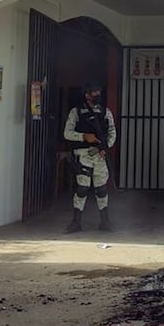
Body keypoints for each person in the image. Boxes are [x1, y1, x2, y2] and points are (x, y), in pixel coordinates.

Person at [63, 82, 117, 232]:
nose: (97, 95)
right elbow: (67, 133)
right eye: (94, 92)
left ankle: (105, 221)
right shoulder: (76, 112)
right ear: (87, 95)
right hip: (83, 155)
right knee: (82, 188)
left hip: (100, 155)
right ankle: (76, 222)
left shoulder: (106, 112)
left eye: (99, 92)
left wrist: (106, 146)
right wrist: (84, 136)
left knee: (101, 189)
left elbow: (112, 132)